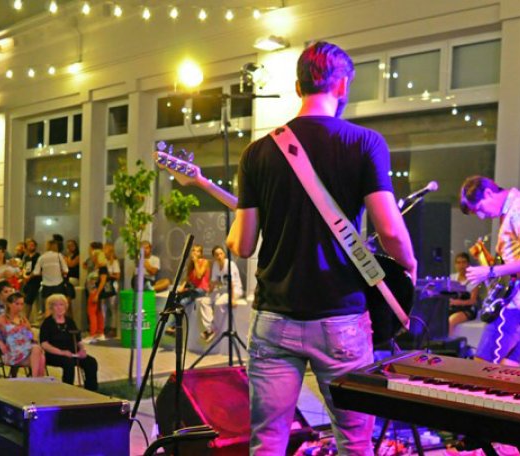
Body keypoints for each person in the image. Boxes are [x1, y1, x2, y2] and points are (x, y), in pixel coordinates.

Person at [224, 42, 417, 455]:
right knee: (354, 442)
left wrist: (232, 235)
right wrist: (409, 266)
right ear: (342, 86)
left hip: (274, 318)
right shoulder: (365, 143)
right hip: (341, 319)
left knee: (267, 442)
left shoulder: (257, 153)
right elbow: (390, 231)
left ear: (298, 87)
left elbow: (242, 244)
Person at [459, 176, 520, 366]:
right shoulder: (514, 209)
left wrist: (491, 271)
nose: (482, 216)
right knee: (508, 369)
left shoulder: (519, 210)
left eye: (480, 208)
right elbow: (515, 261)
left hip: (515, 303)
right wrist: (489, 265)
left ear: (488, 193)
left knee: (480, 368)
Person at [40, 294, 98, 391]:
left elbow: (78, 340)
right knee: (68, 363)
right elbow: (44, 344)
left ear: (66, 306)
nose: (59, 308)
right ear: (51, 308)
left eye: (61, 305)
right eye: (56, 305)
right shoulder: (47, 323)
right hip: (54, 354)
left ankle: (91, 390)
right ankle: (68, 390)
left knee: (91, 362)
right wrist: (62, 352)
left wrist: (82, 350)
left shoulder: (70, 322)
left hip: (73, 353)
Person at [0, 292, 46, 377]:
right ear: (9, 304)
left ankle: (36, 380)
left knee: (40, 355)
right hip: (12, 350)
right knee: (37, 351)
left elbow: (30, 335)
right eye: (17, 304)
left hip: (26, 348)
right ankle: (36, 380)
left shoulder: (23, 319)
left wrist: (29, 334)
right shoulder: (2, 319)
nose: (20, 307)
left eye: (22, 304)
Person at [198, 245, 244, 342]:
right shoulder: (215, 265)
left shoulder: (230, 265)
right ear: (214, 256)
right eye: (217, 254)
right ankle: (210, 329)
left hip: (235, 290)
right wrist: (209, 292)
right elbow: (214, 282)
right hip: (222, 290)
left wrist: (233, 299)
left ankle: (213, 330)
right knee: (204, 301)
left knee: (218, 303)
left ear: (224, 254)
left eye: (221, 253)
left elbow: (232, 283)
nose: (219, 256)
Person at [448, 252, 479, 333]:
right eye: (458, 263)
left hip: (467, 309)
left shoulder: (473, 279)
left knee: (451, 321)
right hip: (452, 307)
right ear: (455, 265)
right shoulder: (452, 277)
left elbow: (473, 301)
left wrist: (458, 302)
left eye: (464, 262)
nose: (461, 265)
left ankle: (450, 341)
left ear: (468, 264)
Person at [84, 243, 108, 343]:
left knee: (92, 312)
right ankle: (99, 332)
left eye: (94, 256)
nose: (92, 258)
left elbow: (103, 281)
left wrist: (97, 294)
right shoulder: (96, 267)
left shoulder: (102, 267)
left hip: (95, 292)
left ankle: (93, 333)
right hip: (92, 291)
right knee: (97, 312)